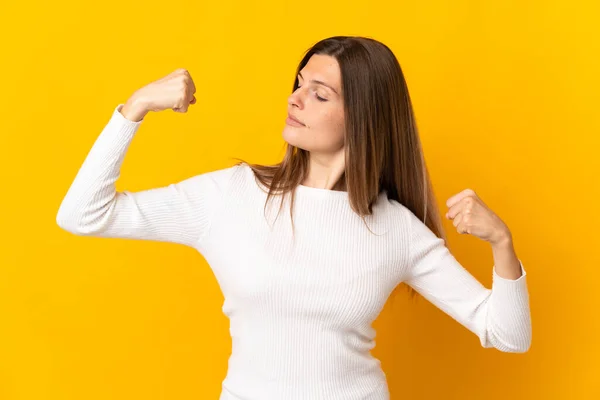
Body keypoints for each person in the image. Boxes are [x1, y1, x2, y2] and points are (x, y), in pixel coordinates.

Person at [56, 35, 531, 400]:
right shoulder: (232, 195)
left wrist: (501, 243)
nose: (295, 99)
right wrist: (133, 108)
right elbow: (83, 215)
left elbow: (507, 335)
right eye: (298, 85)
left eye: (319, 94)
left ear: (361, 118)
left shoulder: (395, 228)